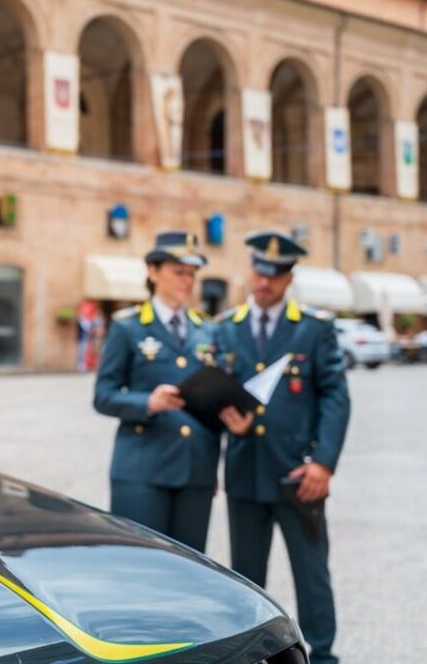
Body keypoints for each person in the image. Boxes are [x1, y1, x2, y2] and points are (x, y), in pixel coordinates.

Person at [214, 230, 350, 664]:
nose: (264, 281)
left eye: (275, 274)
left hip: (298, 475)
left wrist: (324, 464)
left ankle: (324, 656)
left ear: (289, 278)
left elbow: (335, 395)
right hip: (245, 471)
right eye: (259, 271)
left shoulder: (313, 327)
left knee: (312, 577)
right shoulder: (226, 329)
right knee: (246, 579)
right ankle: (252, 657)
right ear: (250, 269)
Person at [93, 230, 248, 553]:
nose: (187, 281)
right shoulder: (128, 326)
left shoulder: (208, 328)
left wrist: (235, 421)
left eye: (192, 273)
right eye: (178, 272)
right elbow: (104, 395)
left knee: (188, 573)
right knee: (141, 570)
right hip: (142, 471)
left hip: (196, 470)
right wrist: (148, 402)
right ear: (152, 272)